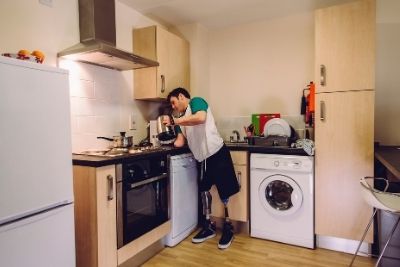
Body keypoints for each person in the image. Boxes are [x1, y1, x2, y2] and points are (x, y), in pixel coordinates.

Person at [164, 87, 240, 249]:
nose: (173, 107)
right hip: (202, 159)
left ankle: (228, 227)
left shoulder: (196, 102)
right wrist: (164, 141)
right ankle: (209, 226)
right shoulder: (179, 119)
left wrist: (175, 121)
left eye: (174, 102)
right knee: (204, 191)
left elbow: (201, 118)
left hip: (217, 153)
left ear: (181, 96)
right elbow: (180, 142)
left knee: (225, 191)